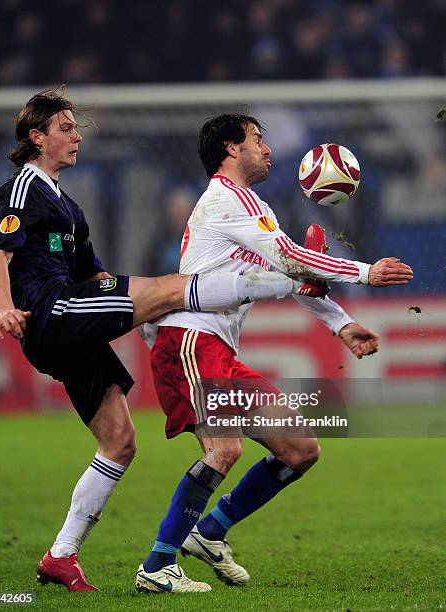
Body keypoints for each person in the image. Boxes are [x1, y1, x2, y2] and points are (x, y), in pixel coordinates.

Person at [0, 91, 329, 593]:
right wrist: (3, 311)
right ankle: (296, 279)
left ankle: (61, 555)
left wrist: (134, 311)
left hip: (74, 320)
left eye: (75, 126)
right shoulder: (22, 189)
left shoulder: (69, 207)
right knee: (170, 288)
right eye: (64, 127)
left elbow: (95, 275)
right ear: (37, 138)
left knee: (120, 444)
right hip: (51, 312)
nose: (76, 134)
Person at [135, 113, 413, 593]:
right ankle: (158, 566)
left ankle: (211, 532)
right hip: (188, 340)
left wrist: (341, 323)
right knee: (225, 449)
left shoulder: (252, 205)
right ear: (230, 148)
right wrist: (365, 272)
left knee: (301, 449)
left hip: (218, 348)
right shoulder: (227, 199)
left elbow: (288, 274)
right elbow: (291, 259)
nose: (267, 149)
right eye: (257, 140)